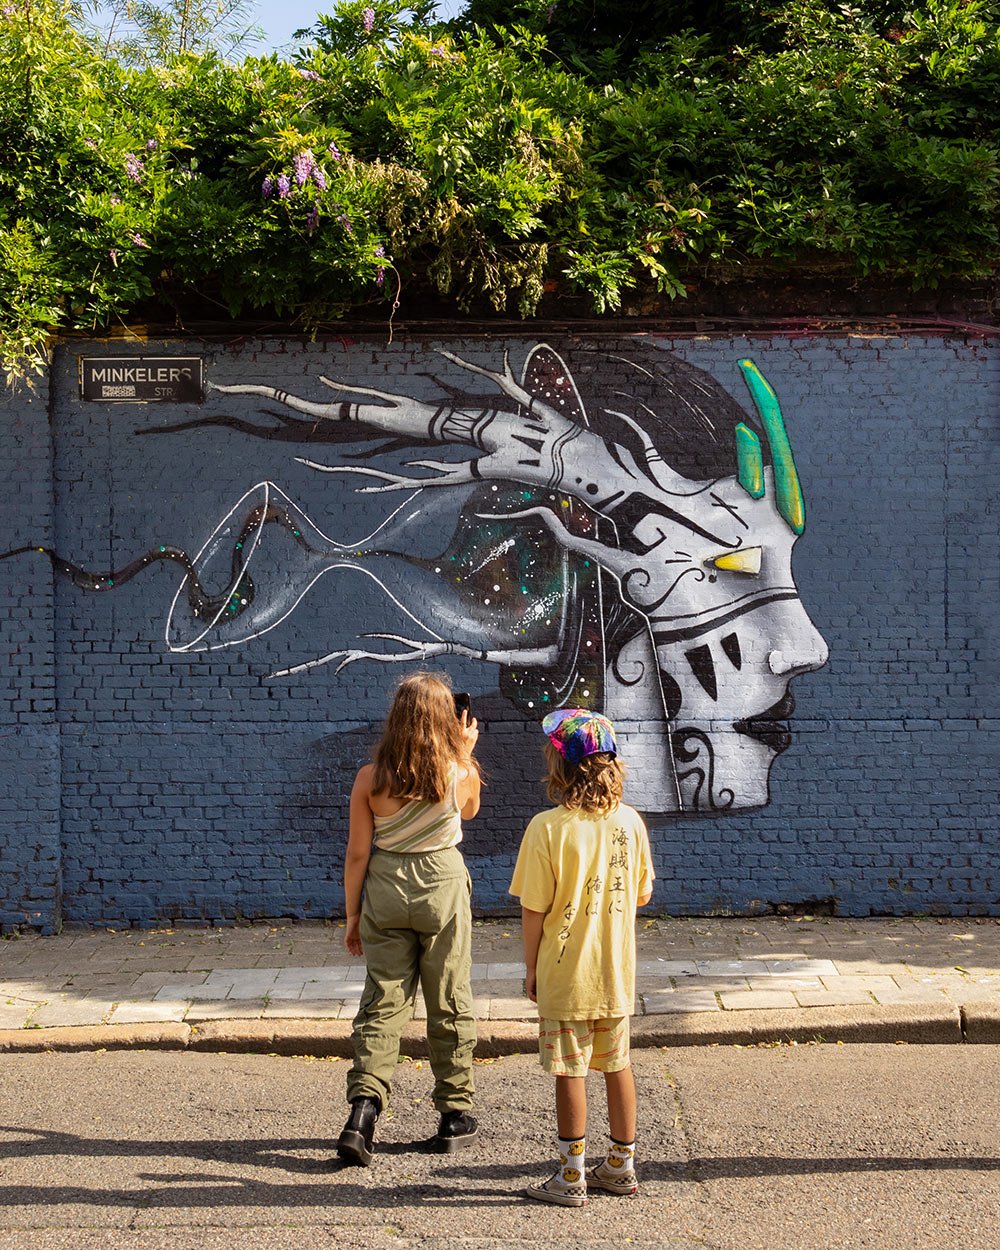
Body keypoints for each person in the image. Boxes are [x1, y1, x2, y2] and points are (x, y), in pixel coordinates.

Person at [510, 708, 654, 1206]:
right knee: (618, 1064)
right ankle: (621, 1165)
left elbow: (534, 909)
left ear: (561, 766)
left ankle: (571, 1175)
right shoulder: (631, 823)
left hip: (564, 973)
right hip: (614, 974)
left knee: (570, 1070)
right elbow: (640, 895)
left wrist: (530, 969)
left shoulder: (547, 828)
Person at [337, 671, 482, 1166]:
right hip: (441, 885)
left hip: (385, 886)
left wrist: (353, 915)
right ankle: (453, 1115)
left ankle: (363, 1114)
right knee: (449, 996)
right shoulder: (457, 772)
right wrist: (463, 752)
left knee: (383, 1000)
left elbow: (357, 854)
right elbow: (472, 810)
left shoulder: (369, 779)